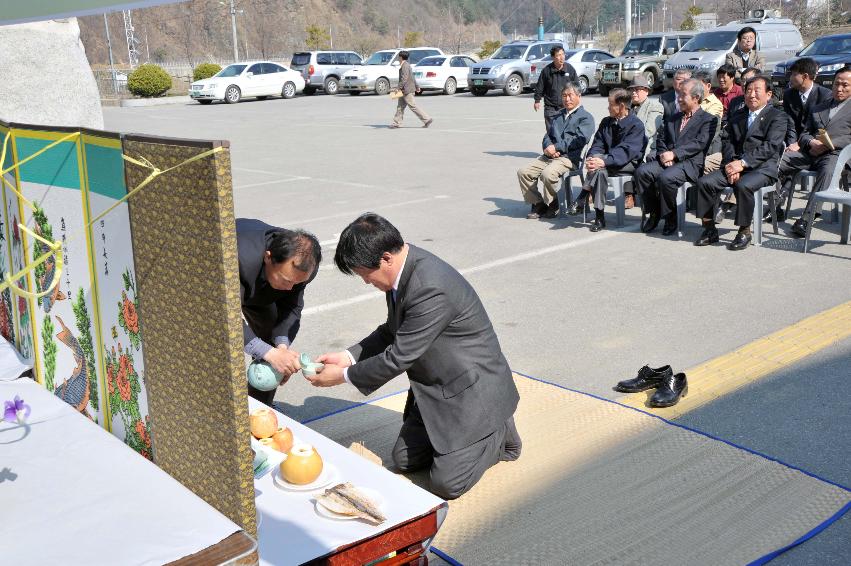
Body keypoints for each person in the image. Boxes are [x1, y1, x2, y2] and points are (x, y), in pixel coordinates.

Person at [307, 213, 522, 500]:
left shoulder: (429, 286)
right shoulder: (401, 273)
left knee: (446, 485)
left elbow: (398, 356)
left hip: (471, 390)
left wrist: (343, 376)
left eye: (364, 274)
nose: (366, 282)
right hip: (435, 386)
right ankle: (460, 440)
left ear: (385, 258)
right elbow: (392, 331)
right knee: (404, 460)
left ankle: (498, 431)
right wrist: (348, 357)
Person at [693, 76, 787, 250]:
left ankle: (744, 231)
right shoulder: (739, 116)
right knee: (704, 182)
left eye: (757, 90)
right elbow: (727, 142)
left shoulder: (778, 117)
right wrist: (732, 164)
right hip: (735, 165)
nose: (751, 94)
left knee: (743, 185)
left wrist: (743, 163)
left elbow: (770, 147)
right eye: (748, 90)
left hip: (763, 168)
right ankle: (709, 228)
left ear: (768, 94)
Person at [236, 218, 321, 404]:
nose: (290, 288)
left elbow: (292, 306)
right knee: (225, 348)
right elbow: (224, 318)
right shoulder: (238, 259)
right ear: (268, 257)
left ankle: (259, 411)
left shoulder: (305, 267)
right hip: (216, 284)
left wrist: (280, 348)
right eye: (285, 279)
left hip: (262, 287)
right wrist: (268, 353)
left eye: (296, 283)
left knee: (272, 345)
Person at [633, 79, 717, 236]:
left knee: (666, 178)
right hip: (667, 159)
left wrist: (675, 155)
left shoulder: (708, 119)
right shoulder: (673, 117)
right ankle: (655, 212)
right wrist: (665, 155)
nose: (678, 98)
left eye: (683, 95)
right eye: (678, 94)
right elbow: (661, 138)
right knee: (641, 172)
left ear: (696, 97)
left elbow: (699, 143)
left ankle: (670, 216)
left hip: (690, 164)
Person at [779, 66, 851, 237]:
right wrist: (811, 141)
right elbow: (804, 133)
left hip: (838, 154)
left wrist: (829, 144)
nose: (839, 88)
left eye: (845, 85)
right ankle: (775, 204)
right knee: (778, 160)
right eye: (836, 84)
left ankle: (807, 218)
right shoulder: (820, 107)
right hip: (811, 151)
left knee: (828, 170)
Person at [517, 82, 595, 219]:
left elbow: (579, 140)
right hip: (550, 156)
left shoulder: (586, 118)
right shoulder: (558, 115)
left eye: (570, 95)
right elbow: (548, 135)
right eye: (564, 96)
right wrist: (548, 148)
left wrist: (557, 147)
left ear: (579, 96)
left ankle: (553, 204)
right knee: (524, 172)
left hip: (569, 158)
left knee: (548, 174)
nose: (567, 99)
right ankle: (538, 203)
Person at [573, 88, 646, 232]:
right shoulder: (607, 122)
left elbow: (626, 151)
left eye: (610, 104)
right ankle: (599, 217)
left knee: (600, 167)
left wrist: (604, 161)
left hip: (629, 163)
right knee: (599, 171)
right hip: (606, 163)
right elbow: (597, 144)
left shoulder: (636, 125)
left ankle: (583, 197)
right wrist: (592, 158)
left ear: (622, 107)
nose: (608, 108)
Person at [628, 75, 664, 208]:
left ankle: (629, 193)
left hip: (646, 146)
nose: (633, 92)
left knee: (630, 156)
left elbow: (648, 131)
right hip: (629, 145)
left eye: (637, 89)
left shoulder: (655, 106)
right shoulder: (627, 107)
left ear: (646, 91)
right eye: (632, 89)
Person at [783, 57, 833, 140]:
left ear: (805, 76)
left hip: (814, 142)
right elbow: (790, 125)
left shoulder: (825, 95)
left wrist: (802, 143)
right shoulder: (789, 94)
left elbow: (820, 127)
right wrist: (791, 144)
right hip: (793, 142)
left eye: (794, 74)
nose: (790, 78)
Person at [534, 45, 578, 132]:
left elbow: (576, 86)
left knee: (566, 132)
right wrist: (537, 100)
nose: (561, 57)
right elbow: (540, 86)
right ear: (553, 57)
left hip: (566, 107)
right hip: (551, 108)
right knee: (552, 133)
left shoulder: (570, 69)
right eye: (558, 55)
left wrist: (577, 98)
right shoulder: (547, 71)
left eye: (563, 54)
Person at [390, 50, 432, 129]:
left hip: (407, 90)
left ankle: (427, 119)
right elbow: (412, 77)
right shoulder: (406, 65)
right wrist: (417, 86)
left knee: (413, 106)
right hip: (404, 90)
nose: (398, 58)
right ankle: (397, 123)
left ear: (401, 57)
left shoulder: (405, 66)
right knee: (400, 107)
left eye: (398, 57)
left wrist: (398, 88)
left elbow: (404, 78)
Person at [695, 71, 724, 174]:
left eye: (699, 86)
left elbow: (702, 125)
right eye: (694, 86)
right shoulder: (693, 100)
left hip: (707, 146)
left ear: (708, 86)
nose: (696, 89)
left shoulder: (715, 104)